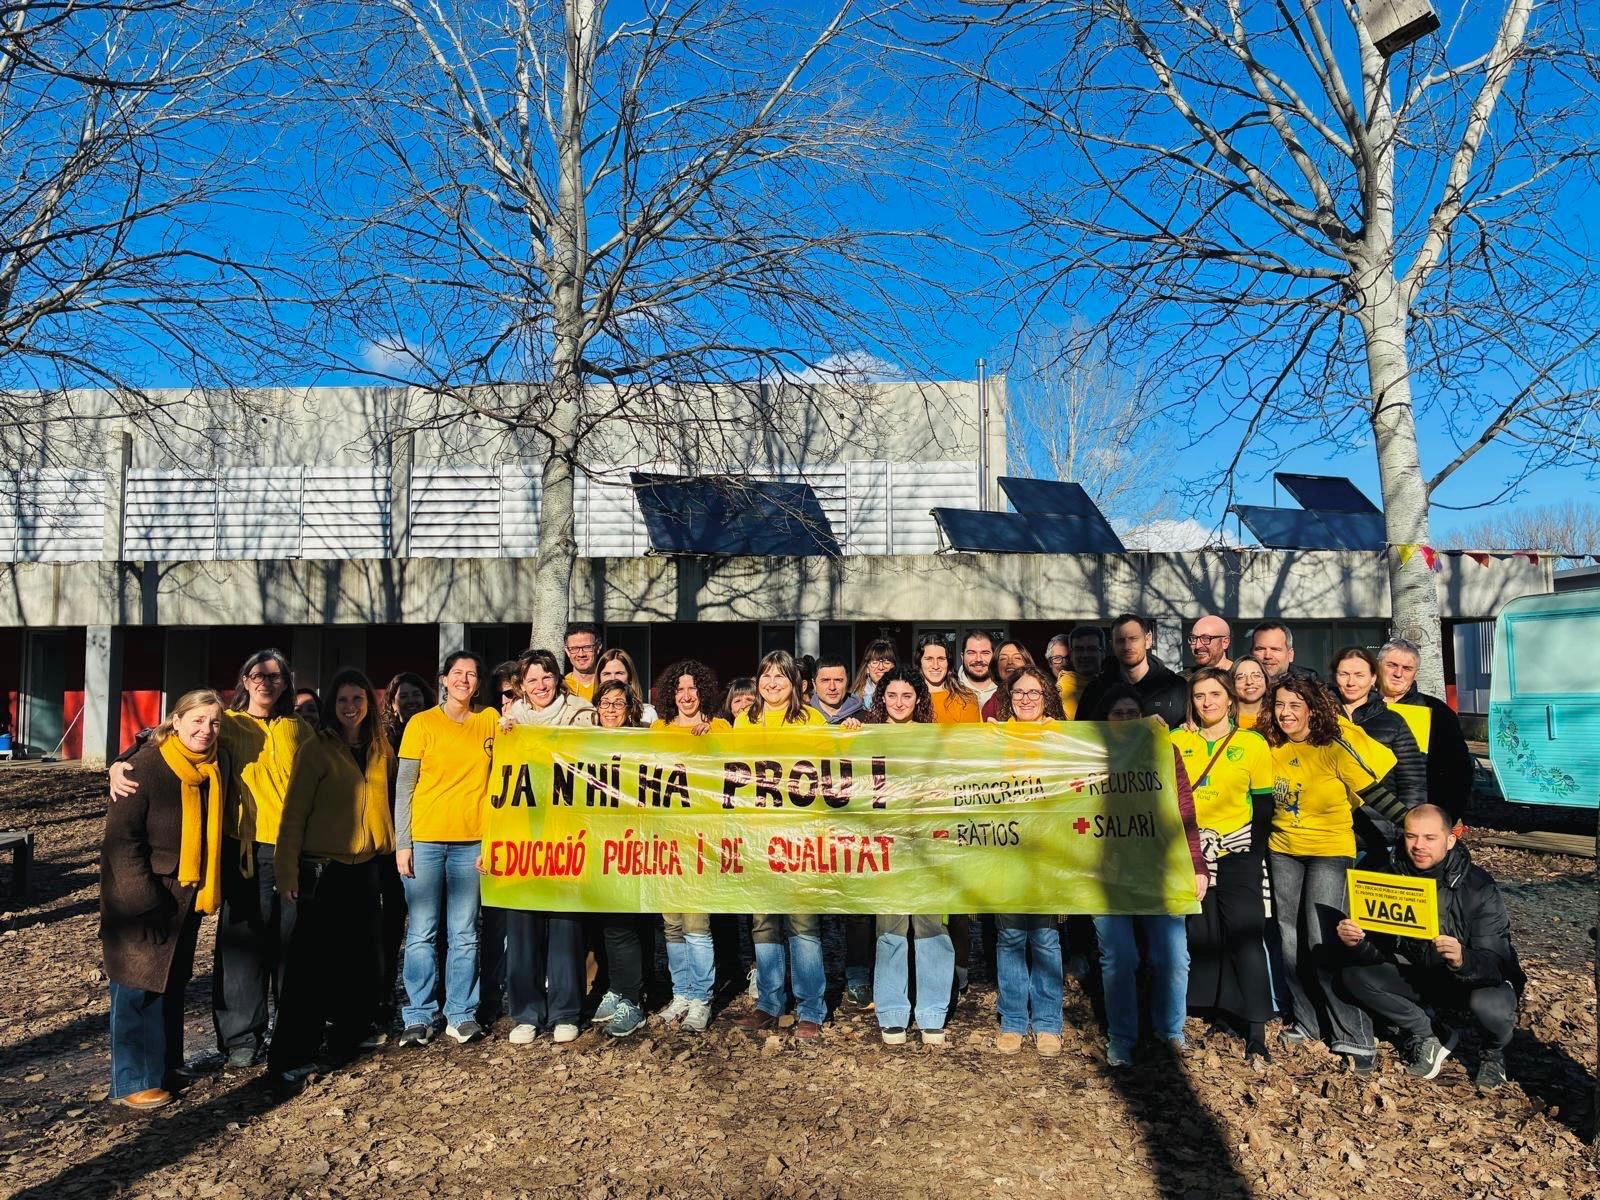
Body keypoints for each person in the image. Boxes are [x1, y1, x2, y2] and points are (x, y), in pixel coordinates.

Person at [111, 649, 312, 1069]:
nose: (266, 682)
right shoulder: (227, 724)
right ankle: (241, 1038)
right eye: (257, 675)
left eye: (275, 676)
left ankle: (292, 1034)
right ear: (245, 680)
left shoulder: (300, 729)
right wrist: (121, 762)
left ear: (285, 682)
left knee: (292, 946)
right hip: (242, 850)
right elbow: (165, 737)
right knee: (241, 948)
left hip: (293, 850)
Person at [1258, 674, 1407, 1072]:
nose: (1286, 713)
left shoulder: (1332, 747)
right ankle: (1307, 1021)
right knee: (1290, 942)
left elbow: (1376, 796)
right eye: (1280, 705)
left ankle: (1354, 1035)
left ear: (1312, 709)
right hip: (1283, 851)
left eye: (1295, 705)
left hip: (1329, 853)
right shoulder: (1269, 746)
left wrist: (1416, 825)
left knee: (1324, 941)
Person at [100, 690, 227, 1111]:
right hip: (140, 896)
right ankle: (132, 1081)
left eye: (214, 722)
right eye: (197, 720)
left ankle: (166, 1065)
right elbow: (122, 843)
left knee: (170, 983)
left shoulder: (213, 767)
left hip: (186, 894)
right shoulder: (143, 767)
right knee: (136, 986)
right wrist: (145, 901)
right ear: (176, 720)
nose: (205, 729)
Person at [1338, 805, 1524, 1088]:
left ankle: (1493, 1053)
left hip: (1477, 979)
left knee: (1490, 1006)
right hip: (1421, 973)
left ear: (1449, 840)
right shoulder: (1385, 874)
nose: (1418, 846)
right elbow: (1380, 949)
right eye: (1411, 836)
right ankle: (1429, 1032)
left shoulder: (1478, 886)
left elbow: (1497, 961)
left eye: (1429, 838)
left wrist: (1462, 959)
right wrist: (1357, 944)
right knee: (1354, 975)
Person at [271, 669, 395, 1083]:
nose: (350, 707)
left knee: (360, 959)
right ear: (331, 705)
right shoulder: (316, 748)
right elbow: (293, 814)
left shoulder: (380, 749)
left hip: (367, 867)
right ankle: (291, 1053)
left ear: (369, 704)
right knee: (311, 965)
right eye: (342, 700)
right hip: (324, 868)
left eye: (357, 699)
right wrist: (286, 871)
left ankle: (349, 1035)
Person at [1093, 684, 1209, 1067]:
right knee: (1119, 957)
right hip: (1107, 872)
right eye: (1118, 714)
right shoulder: (1089, 753)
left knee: (1172, 956)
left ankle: (1170, 1033)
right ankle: (1122, 1038)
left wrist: (1197, 864)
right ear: (1105, 720)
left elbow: (1184, 809)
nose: (1127, 720)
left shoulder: (1164, 751)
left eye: (1133, 713)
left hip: (1161, 868)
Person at [394, 651, 499, 1048]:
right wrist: (402, 843)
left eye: (471, 674)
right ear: (443, 679)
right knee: (422, 931)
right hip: (425, 841)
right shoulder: (421, 723)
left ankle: (460, 1013)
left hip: (472, 842)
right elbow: (404, 787)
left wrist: (492, 841)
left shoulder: (489, 720)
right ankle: (419, 1014)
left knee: (465, 932)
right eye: (457, 673)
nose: (464, 680)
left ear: (478, 683)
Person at [1173, 668, 1274, 1061]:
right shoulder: (1177, 739)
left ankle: (1256, 1027)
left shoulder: (1251, 743)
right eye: (1199, 696)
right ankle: (1220, 1010)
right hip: (1193, 850)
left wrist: (1254, 852)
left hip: (1238, 848)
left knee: (1245, 933)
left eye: (1215, 694)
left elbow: (1263, 803)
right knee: (1206, 932)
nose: (1207, 702)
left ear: (1230, 698)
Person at [499, 648, 597, 1043]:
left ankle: (565, 1011)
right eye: (532, 680)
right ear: (521, 685)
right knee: (522, 925)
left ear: (558, 678)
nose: (541, 686)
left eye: (547, 677)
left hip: (566, 833)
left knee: (565, 925)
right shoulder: (510, 722)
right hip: (521, 836)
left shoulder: (582, 714)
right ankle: (526, 1013)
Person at [733, 651, 829, 1039]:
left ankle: (810, 1008)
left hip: (800, 836)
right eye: (766, 676)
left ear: (795, 683)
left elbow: (830, 770)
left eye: (780, 677)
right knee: (764, 921)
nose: (772, 684)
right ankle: (769, 1003)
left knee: (802, 921)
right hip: (758, 834)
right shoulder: (744, 720)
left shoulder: (812, 720)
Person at [862, 668, 955, 1047]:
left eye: (907, 696)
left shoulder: (934, 738)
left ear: (919, 700)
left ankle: (932, 1014)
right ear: (881, 698)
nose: (899, 703)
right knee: (891, 928)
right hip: (886, 845)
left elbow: (947, 785)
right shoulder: (868, 736)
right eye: (892, 695)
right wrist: (847, 734)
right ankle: (892, 1014)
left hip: (928, 844)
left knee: (932, 926)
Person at [992, 666, 1068, 1056]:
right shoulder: (995, 736)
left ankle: (1048, 1022)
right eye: (1019, 693)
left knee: (1045, 937)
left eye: (1034, 693)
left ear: (1046, 697)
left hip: (1049, 849)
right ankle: (1013, 1020)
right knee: (1010, 936)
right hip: (1005, 849)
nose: (1026, 699)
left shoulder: (1063, 737)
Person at [650, 659, 728, 1033]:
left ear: (704, 692)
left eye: (693, 688)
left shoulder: (720, 727)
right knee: (672, 922)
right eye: (679, 689)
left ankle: (702, 997)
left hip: (701, 838)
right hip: (666, 836)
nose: (686, 695)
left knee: (697, 921)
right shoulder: (658, 729)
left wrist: (713, 738)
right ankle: (681, 992)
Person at [1331, 647, 1428, 860]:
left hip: (1378, 835)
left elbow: (1412, 784)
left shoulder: (1393, 722)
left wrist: (1406, 831)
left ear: (1373, 677)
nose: (1351, 682)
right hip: (1327, 835)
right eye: (1344, 674)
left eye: (1359, 675)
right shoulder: (1319, 718)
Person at [377, 672, 431, 1025]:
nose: (410, 701)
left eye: (416, 694)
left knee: (429, 922)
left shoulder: (435, 729)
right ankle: (383, 993)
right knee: (391, 921)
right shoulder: (384, 738)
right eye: (403, 696)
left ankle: (433, 994)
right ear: (393, 703)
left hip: (428, 835)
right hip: (390, 840)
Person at [1377, 637, 1474, 823]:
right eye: (1392, 665)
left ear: (1415, 673)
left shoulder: (1437, 712)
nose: (1398, 673)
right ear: (1378, 665)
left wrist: (1446, 817)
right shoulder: (1357, 706)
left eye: (1407, 668)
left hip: (1419, 818)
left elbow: (1458, 771)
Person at [1079, 615, 1187, 728]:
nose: (1127, 647)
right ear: (1112, 645)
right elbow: (1081, 734)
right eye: (1120, 641)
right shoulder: (1096, 690)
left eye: (1134, 639)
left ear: (1148, 640)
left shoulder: (1176, 688)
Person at [919, 635, 980, 724]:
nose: (935, 666)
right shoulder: (907, 698)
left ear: (949, 663)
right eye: (929, 659)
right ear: (919, 662)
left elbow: (970, 733)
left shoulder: (966, 698)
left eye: (941, 659)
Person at [596, 647, 658, 724]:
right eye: (607, 674)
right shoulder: (590, 713)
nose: (613, 679)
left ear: (630, 677)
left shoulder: (647, 715)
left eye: (619, 673)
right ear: (599, 679)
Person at [979, 640, 1035, 721]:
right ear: (996, 668)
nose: (1010, 662)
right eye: (1003, 659)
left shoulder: (1044, 696)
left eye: (1017, 658)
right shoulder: (991, 706)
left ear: (1027, 664)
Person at [1057, 626, 1104, 719]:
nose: (1085, 655)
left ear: (1103, 653)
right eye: (1079, 649)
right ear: (1071, 655)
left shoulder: (1113, 685)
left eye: (1091, 649)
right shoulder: (1060, 689)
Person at [1250, 622, 1318, 683]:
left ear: (1290, 655)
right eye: (1260, 649)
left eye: (1275, 649)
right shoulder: (1243, 686)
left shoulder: (1310, 685)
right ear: (1251, 654)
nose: (1267, 656)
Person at [810, 655, 865, 724]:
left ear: (847, 682)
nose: (832, 687)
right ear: (814, 684)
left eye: (838, 680)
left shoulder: (867, 719)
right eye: (825, 680)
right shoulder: (802, 718)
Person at [958, 629, 999, 709]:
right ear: (962, 657)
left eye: (985, 653)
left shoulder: (1008, 690)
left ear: (994, 656)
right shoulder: (950, 689)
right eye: (971, 653)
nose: (978, 659)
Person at [851, 638, 898, 708]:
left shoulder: (905, 692)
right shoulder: (857, 700)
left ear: (894, 667)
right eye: (875, 662)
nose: (881, 667)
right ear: (867, 668)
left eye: (887, 662)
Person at [563, 623, 602, 702]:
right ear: (567, 651)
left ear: (598, 648)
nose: (581, 654)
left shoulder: (606, 683)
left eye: (587, 647)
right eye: (574, 648)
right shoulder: (561, 687)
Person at [1230, 657, 1269, 730]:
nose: (1249, 682)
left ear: (1266, 679)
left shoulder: (1277, 717)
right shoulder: (1223, 718)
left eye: (1256, 676)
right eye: (1241, 677)